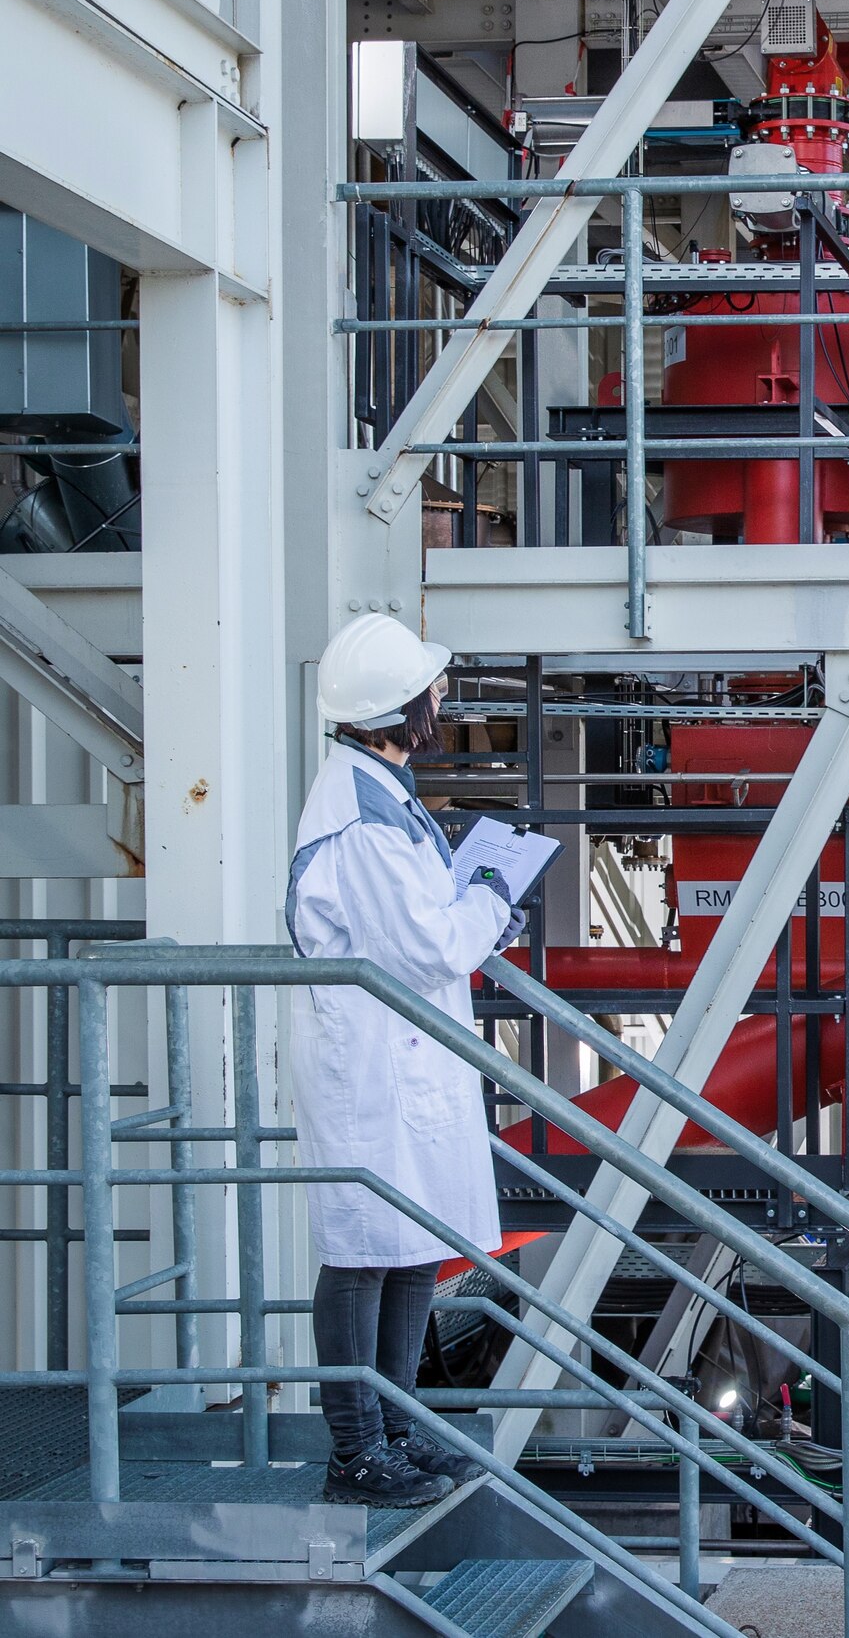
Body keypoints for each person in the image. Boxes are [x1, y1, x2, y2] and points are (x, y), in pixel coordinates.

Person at [286, 612, 526, 1505]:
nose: (440, 697)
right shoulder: (361, 817)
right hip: (373, 1069)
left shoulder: (382, 787)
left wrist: (483, 906)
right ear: (398, 708)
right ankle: (358, 1451)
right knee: (362, 1249)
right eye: (429, 688)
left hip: (404, 1058)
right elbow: (427, 944)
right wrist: (494, 901)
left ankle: (397, 1426)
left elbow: (424, 928)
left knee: (412, 1241)